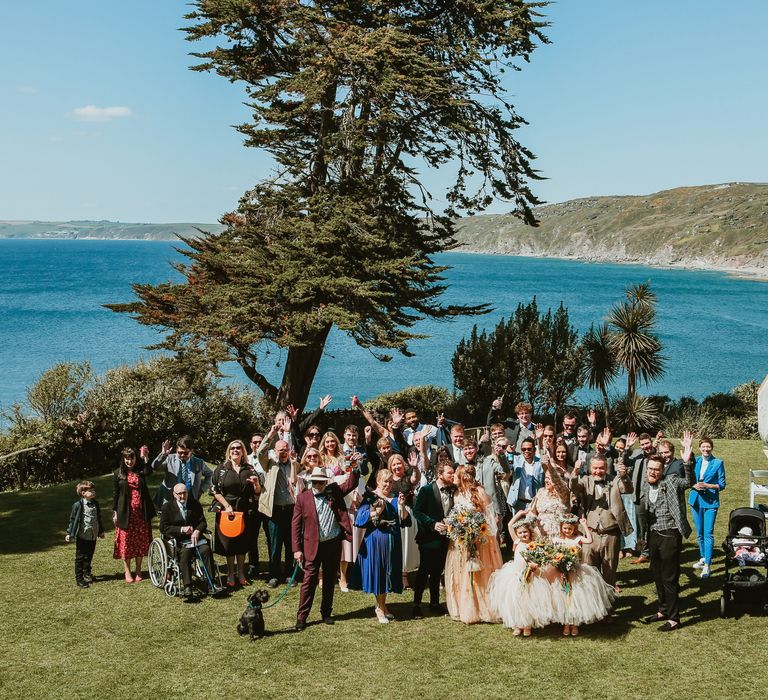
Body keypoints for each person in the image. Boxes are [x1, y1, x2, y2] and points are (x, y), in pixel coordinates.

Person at [292, 465, 360, 630]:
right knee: (309, 580)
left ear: (325, 482)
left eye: (321, 482)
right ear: (311, 482)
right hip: (311, 545)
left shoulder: (334, 491)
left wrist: (356, 468)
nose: (318, 485)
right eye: (315, 482)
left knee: (329, 579)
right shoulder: (302, 498)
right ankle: (302, 617)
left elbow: (351, 484)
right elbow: (295, 525)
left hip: (333, 543)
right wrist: (297, 549)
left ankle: (326, 613)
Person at [639, 450, 693, 631]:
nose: (653, 472)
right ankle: (662, 610)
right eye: (650, 468)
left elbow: (688, 482)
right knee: (657, 574)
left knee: (669, 577)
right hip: (653, 534)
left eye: (656, 469)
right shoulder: (646, 486)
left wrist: (686, 462)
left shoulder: (670, 481)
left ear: (663, 470)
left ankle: (674, 618)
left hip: (670, 533)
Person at [350, 469, 411, 624]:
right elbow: (360, 520)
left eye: (391, 482)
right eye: (385, 481)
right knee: (379, 573)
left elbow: (405, 521)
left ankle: (384, 605)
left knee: (388, 572)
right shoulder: (370, 497)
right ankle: (379, 607)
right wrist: (377, 511)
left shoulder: (396, 498)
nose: (388, 485)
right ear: (377, 481)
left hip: (393, 540)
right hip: (376, 541)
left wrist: (403, 506)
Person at [444, 465, 503, 624]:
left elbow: (491, 518)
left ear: (463, 477)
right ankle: (467, 607)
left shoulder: (480, 493)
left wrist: (477, 532)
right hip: (462, 541)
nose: (453, 477)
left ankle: (483, 607)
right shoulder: (456, 494)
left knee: (480, 575)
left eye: (456, 474)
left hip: (480, 541)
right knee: (462, 573)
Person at [573, 455, 633, 588]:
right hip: (590, 534)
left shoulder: (615, 480)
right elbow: (574, 488)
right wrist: (575, 473)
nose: (598, 471)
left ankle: (608, 604)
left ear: (606, 468)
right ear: (590, 468)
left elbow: (628, 489)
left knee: (609, 571)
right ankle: (591, 603)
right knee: (588, 571)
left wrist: (624, 476)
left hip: (611, 534)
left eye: (601, 468)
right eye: (595, 468)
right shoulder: (585, 480)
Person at [551, 514, 616, 636]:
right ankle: (566, 623)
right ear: (561, 528)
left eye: (570, 529)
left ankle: (575, 624)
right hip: (562, 573)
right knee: (564, 599)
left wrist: (585, 525)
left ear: (574, 529)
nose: (567, 531)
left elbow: (590, 540)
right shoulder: (557, 540)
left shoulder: (577, 539)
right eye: (564, 528)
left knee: (576, 599)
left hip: (575, 572)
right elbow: (554, 554)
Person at [488, 517, 553, 636]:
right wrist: (520, 513)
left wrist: (535, 565)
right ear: (517, 534)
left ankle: (527, 625)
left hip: (530, 577)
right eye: (520, 532)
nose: (523, 534)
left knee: (528, 601)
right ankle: (517, 624)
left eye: (525, 532)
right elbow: (509, 524)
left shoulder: (534, 543)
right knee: (515, 600)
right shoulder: (516, 541)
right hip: (516, 575)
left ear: (529, 532)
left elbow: (543, 543)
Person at [211, 439, 261, 587]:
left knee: (242, 544)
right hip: (227, 511)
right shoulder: (221, 469)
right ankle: (231, 574)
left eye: (238, 448)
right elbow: (214, 490)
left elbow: (258, 491)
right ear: (229, 451)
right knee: (229, 544)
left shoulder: (250, 468)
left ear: (243, 451)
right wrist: (226, 505)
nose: (235, 450)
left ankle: (241, 572)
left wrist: (256, 484)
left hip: (245, 511)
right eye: (232, 448)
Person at [258, 422, 300, 588]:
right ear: (275, 452)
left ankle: (290, 574)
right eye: (280, 450)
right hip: (274, 511)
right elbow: (260, 451)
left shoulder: (293, 464)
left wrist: (294, 463)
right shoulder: (269, 464)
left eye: (285, 449)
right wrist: (271, 434)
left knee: (291, 543)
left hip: (291, 509)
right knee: (274, 545)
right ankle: (274, 575)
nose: (283, 452)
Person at [412, 461, 456, 618]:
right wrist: (432, 524)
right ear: (439, 474)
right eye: (450, 473)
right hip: (428, 538)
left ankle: (435, 603)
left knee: (438, 571)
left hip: (445, 538)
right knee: (424, 571)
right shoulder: (426, 490)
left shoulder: (453, 490)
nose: (453, 475)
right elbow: (417, 512)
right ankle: (416, 604)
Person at [160, 483, 216, 598]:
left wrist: (197, 531)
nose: (182, 496)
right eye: (179, 494)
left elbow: (202, 522)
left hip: (195, 539)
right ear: (174, 494)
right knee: (185, 553)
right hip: (178, 541)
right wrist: (181, 529)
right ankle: (187, 586)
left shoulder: (194, 504)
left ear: (187, 493)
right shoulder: (167, 507)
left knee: (206, 550)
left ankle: (211, 582)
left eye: (184, 493)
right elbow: (164, 528)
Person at [112, 446, 155, 583]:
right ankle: (127, 571)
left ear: (135, 458)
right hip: (125, 514)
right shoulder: (118, 473)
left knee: (140, 542)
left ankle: (138, 571)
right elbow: (116, 494)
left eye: (131, 458)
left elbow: (149, 471)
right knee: (126, 543)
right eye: (126, 458)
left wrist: (146, 457)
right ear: (123, 459)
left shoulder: (140, 471)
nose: (129, 461)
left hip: (141, 514)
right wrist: (115, 512)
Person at [688, 436, 726, 579]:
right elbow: (689, 479)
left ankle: (708, 565)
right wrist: (694, 485)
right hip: (696, 501)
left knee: (708, 533)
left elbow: (722, 485)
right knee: (699, 532)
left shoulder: (718, 463)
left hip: (710, 502)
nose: (706, 449)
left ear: (712, 447)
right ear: (700, 448)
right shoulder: (695, 461)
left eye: (708, 447)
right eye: (703, 447)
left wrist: (708, 486)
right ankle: (703, 557)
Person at [151, 435, 213, 507]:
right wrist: (163, 455)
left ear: (191, 451)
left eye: (186, 453)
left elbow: (210, 474)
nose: (182, 455)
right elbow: (155, 467)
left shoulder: (198, 463)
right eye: (180, 453)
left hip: (190, 499)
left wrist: (202, 489)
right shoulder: (169, 459)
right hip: (170, 499)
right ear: (176, 450)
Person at [388, 452, 421, 588]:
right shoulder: (388, 479)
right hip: (392, 514)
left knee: (406, 544)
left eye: (399, 463)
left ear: (403, 464)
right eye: (394, 464)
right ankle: (392, 574)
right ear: (390, 467)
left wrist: (415, 468)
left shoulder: (407, 478)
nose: (397, 466)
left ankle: (404, 575)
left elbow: (415, 479)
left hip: (407, 513)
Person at [66, 480, 105, 588]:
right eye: (90, 491)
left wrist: (100, 531)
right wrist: (69, 533)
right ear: (83, 493)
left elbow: (98, 519)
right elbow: (73, 520)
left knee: (89, 555)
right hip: (82, 535)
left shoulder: (95, 503)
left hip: (93, 535)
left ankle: (87, 573)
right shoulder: (78, 505)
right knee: (80, 557)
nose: (93, 492)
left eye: (94, 490)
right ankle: (79, 579)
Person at [626, 432, 656, 564]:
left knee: (654, 524)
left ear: (651, 441)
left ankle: (655, 552)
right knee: (642, 526)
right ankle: (645, 552)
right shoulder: (637, 454)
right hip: (639, 495)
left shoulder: (658, 454)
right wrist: (628, 448)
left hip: (654, 495)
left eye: (647, 443)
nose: (645, 446)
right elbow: (625, 461)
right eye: (642, 444)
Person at [527, 457, 570, 540]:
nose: (546, 480)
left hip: (558, 532)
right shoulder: (541, 492)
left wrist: (549, 466)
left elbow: (557, 482)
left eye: (549, 478)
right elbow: (532, 511)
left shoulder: (564, 493)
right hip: (540, 531)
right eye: (546, 477)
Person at [246, 433, 271, 578]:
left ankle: (272, 564)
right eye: (254, 442)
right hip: (253, 503)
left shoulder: (270, 458)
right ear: (250, 445)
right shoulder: (246, 460)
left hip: (268, 502)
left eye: (260, 442)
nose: (257, 444)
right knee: (252, 536)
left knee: (270, 535)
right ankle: (253, 565)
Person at [506, 437, 543, 515]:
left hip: (534, 503)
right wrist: (509, 454)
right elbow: (508, 466)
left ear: (534, 450)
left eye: (529, 449)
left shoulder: (540, 463)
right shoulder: (516, 459)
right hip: (518, 503)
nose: (526, 451)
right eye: (524, 449)